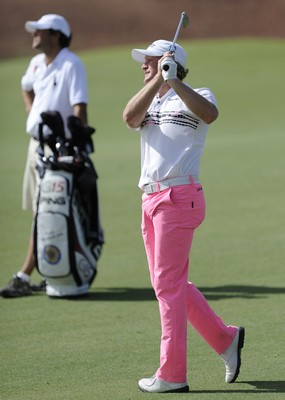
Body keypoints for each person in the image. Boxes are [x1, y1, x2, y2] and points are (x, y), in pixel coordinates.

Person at [123, 39, 245, 393]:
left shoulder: (196, 93)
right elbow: (129, 118)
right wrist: (154, 83)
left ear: (171, 62)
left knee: (167, 286)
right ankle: (225, 339)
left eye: (150, 60)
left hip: (179, 196)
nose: (143, 64)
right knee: (170, 284)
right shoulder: (150, 99)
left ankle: (172, 374)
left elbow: (210, 114)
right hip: (150, 200)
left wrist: (174, 80)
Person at [1, 14, 89, 298]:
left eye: (39, 31)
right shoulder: (37, 64)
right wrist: (32, 111)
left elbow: (79, 108)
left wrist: (76, 142)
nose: (33, 35)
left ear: (56, 34)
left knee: (47, 209)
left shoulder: (71, 64)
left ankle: (26, 274)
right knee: (41, 209)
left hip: (59, 149)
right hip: (35, 146)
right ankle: (51, 267)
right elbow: (25, 86)